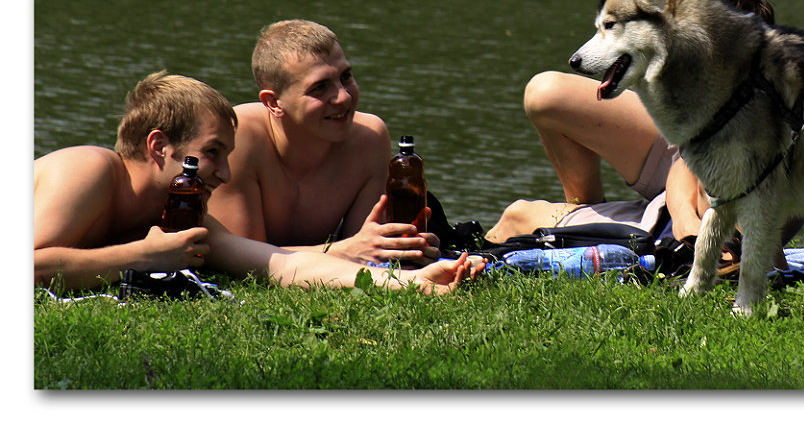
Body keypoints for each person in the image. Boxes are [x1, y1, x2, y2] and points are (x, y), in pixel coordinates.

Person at [34, 71, 478, 293]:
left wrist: (411, 284)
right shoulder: (88, 169)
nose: (224, 174)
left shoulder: (174, 215)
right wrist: (141, 256)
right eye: (211, 153)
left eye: (226, 156)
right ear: (158, 147)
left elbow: (279, 265)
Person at [486, 0, 804, 270]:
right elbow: (685, 163)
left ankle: (586, 228)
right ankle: (584, 213)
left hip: (685, 222)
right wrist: (684, 223)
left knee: (519, 216)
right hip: (668, 212)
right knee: (544, 96)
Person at [207, 20, 440, 267]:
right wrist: (343, 250)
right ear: (274, 103)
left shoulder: (369, 138)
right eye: (320, 87)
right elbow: (240, 258)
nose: (344, 97)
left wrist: (403, 248)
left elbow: (363, 250)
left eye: (346, 77)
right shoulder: (239, 137)